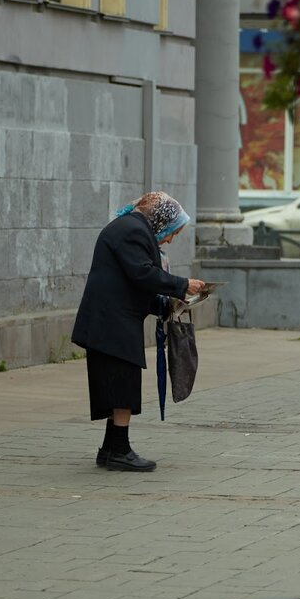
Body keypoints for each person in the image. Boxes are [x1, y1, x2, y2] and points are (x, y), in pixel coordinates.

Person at [72, 192, 207, 472]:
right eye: (173, 232)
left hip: (110, 321)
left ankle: (110, 449)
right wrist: (182, 285)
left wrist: (166, 304)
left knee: (117, 383)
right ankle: (120, 451)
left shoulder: (130, 229)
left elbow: (135, 282)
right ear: (162, 220)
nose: (170, 239)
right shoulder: (132, 230)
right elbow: (142, 274)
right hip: (111, 323)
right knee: (123, 384)